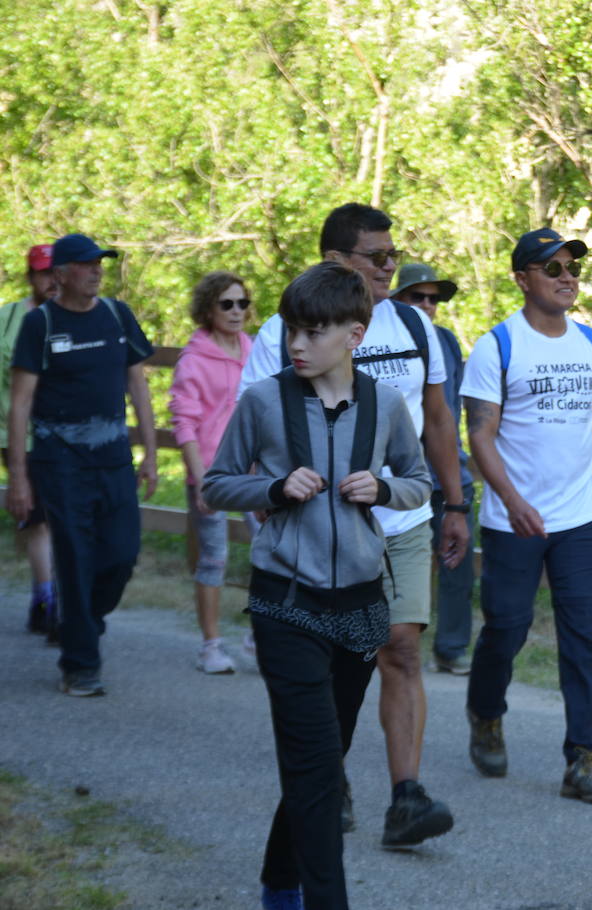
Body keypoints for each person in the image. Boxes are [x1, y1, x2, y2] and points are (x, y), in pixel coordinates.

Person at [204, 261, 432, 910]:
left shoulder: (385, 406)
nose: (295, 345)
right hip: (286, 603)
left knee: (320, 766)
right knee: (315, 774)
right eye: (290, 333)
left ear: (354, 335)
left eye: (311, 332)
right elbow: (216, 483)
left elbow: (421, 481)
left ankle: (279, 884)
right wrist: (272, 488)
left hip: (362, 607)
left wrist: (384, 488)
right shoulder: (263, 401)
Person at [238, 204, 466, 847]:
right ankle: (326, 780)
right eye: (377, 256)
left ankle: (407, 798)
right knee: (337, 657)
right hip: (319, 528)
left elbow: (438, 420)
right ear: (337, 260)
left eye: (395, 254)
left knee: (400, 646)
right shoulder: (286, 335)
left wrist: (454, 505)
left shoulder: (416, 328)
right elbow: (255, 426)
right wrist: (276, 498)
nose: (391, 266)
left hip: (405, 516)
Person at [462, 227, 592, 804]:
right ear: (522, 278)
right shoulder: (498, 347)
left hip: (581, 519)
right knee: (506, 629)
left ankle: (583, 759)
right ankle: (486, 713)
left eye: (572, 269)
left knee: (585, 637)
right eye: (552, 268)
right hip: (515, 521)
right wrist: (513, 502)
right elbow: (479, 435)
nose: (567, 278)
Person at [5, 233, 158, 696]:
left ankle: (79, 622)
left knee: (121, 555)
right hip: (59, 463)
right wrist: (18, 477)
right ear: (61, 275)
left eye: (100, 264)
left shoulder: (117, 315)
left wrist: (150, 452)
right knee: (74, 557)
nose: (97, 271)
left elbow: (139, 386)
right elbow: (20, 405)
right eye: (87, 264)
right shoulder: (41, 324)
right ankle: (81, 664)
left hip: (113, 459)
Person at [169, 271, 256, 674]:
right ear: (209, 308)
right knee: (214, 557)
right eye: (227, 304)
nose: (236, 311)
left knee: (271, 550)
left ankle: (259, 636)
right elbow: (184, 422)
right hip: (210, 472)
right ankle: (211, 646)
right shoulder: (193, 359)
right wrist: (200, 477)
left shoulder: (252, 349)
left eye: (242, 303)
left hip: (251, 470)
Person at [392, 262, 476, 675]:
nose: (427, 305)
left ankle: (451, 647)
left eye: (433, 298)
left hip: (449, 474)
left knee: (458, 563)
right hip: (400, 479)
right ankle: (383, 642)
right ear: (397, 299)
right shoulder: (385, 336)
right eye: (416, 297)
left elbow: (450, 412)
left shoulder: (444, 340)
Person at [0, 244, 57, 638]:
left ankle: (48, 596)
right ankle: (47, 600)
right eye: (42, 273)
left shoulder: (73, 317)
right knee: (37, 521)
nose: (50, 280)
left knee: (57, 521)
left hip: (63, 436)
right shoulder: (8, 318)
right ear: (30, 276)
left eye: (56, 272)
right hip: (18, 437)